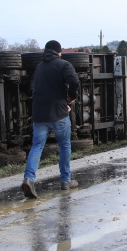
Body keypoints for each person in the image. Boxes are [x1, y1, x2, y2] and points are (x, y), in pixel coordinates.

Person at [21, 40, 80, 198]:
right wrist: (71, 98)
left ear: (46, 52)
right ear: (59, 52)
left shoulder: (39, 67)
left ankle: (29, 178)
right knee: (65, 145)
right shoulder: (63, 65)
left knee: (37, 146)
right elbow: (74, 81)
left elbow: (31, 88)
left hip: (39, 115)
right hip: (59, 113)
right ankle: (65, 181)